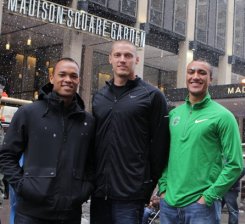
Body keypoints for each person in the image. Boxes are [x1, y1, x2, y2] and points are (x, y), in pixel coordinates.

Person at [0, 57, 95, 224]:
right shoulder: (28, 113)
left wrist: (83, 190)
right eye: (62, 74)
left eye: (73, 76)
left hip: (69, 214)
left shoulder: (87, 122)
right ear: (52, 78)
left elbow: (93, 163)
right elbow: (7, 156)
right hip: (30, 214)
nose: (68, 79)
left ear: (79, 80)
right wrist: (24, 187)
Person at [91, 39, 170, 224]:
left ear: (137, 59)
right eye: (117, 55)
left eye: (128, 55)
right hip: (99, 191)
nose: (122, 59)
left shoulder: (152, 96)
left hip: (131, 194)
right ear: (110, 59)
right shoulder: (100, 97)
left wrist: (147, 185)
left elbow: (160, 145)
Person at [158, 59, 244, 224]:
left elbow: (235, 164)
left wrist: (209, 196)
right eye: (191, 72)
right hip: (169, 204)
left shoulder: (223, 116)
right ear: (186, 76)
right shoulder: (175, 114)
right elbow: (166, 154)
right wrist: (163, 188)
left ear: (210, 79)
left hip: (201, 208)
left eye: (202, 73)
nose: (195, 76)